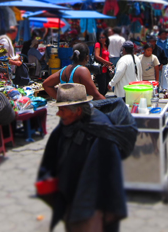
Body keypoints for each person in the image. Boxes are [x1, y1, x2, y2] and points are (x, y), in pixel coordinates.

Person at [36, 84, 135, 231]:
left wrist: (86, 210)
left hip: (94, 206)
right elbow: (52, 154)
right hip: (72, 199)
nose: (58, 114)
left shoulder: (101, 132)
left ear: (79, 110)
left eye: (62, 110)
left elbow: (107, 178)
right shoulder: (68, 123)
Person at [93, 31, 114, 96]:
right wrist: (107, 62)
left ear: (106, 38)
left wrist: (109, 65)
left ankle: (100, 99)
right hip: (101, 70)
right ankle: (99, 101)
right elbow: (97, 56)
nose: (101, 39)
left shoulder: (105, 45)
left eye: (103, 37)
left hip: (106, 70)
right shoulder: (98, 44)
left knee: (106, 88)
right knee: (102, 88)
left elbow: (107, 56)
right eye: (100, 38)